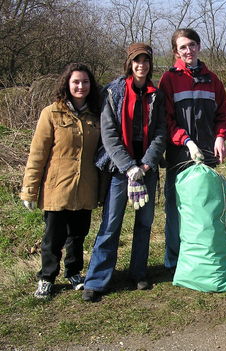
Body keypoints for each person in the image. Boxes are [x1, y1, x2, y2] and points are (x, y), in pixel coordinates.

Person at [82, 43, 166, 302]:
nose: (142, 65)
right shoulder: (112, 91)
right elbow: (109, 134)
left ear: (150, 64)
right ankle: (97, 279)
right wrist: (129, 167)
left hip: (147, 169)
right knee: (111, 222)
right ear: (129, 63)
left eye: (146, 60)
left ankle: (138, 272)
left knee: (144, 222)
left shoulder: (156, 94)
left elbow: (161, 132)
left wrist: (146, 165)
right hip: (121, 169)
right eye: (137, 60)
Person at [20, 63, 101, 298]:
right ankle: (47, 277)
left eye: (85, 82)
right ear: (67, 83)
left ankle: (74, 272)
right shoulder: (51, 113)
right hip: (57, 187)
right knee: (53, 237)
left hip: (85, 187)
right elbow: (37, 154)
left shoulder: (95, 115)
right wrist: (29, 190)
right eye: (76, 82)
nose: (81, 86)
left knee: (78, 234)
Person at [158, 28, 226, 269]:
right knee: (177, 207)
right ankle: (175, 259)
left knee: (206, 207)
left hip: (207, 155)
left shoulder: (212, 79)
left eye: (192, 45)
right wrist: (186, 141)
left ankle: (204, 256)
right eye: (183, 47)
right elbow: (166, 120)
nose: (188, 50)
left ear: (199, 46)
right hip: (180, 154)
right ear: (176, 52)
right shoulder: (169, 79)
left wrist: (220, 138)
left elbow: (222, 114)